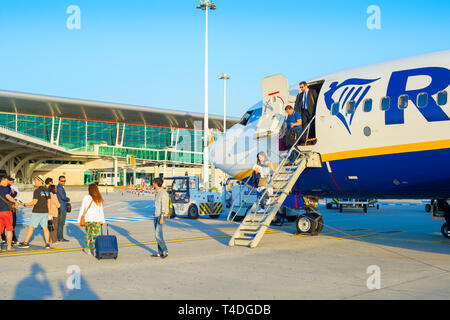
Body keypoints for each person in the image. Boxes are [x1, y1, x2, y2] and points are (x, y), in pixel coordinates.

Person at [17, 176, 52, 249]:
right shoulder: (47, 190)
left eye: (36, 180)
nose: (35, 182)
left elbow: (34, 202)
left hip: (37, 212)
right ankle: (47, 244)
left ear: (41, 181)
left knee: (31, 227)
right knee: (45, 228)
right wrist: (48, 212)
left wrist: (25, 204)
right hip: (45, 212)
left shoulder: (37, 191)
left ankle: (26, 243)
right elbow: (49, 202)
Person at [77, 184, 106, 256]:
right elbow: (101, 210)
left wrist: (78, 220)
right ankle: (96, 249)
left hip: (88, 220)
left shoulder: (86, 197)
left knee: (89, 235)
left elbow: (82, 208)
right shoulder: (99, 198)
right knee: (96, 235)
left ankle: (89, 249)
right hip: (97, 220)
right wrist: (103, 221)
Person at [0, 176, 19, 252]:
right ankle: (9, 247)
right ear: (3, 180)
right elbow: (7, 196)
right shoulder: (5, 188)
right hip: (6, 211)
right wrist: (15, 202)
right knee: (9, 229)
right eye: (7, 181)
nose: (8, 182)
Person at [152, 177, 169, 259]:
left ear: (156, 183)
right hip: (156, 215)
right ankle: (160, 252)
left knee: (157, 235)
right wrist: (155, 212)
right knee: (159, 235)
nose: (152, 184)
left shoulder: (163, 193)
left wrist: (162, 216)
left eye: (153, 183)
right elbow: (158, 205)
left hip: (160, 216)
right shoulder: (158, 192)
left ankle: (165, 250)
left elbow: (164, 206)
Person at [56, 176, 70, 242]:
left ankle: (59, 237)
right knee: (61, 223)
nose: (63, 182)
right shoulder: (60, 187)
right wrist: (68, 199)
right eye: (62, 181)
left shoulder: (59, 187)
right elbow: (63, 197)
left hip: (60, 207)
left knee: (60, 223)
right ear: (59, 181)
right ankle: (60, 238)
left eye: (64, 181)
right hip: (62, 207)